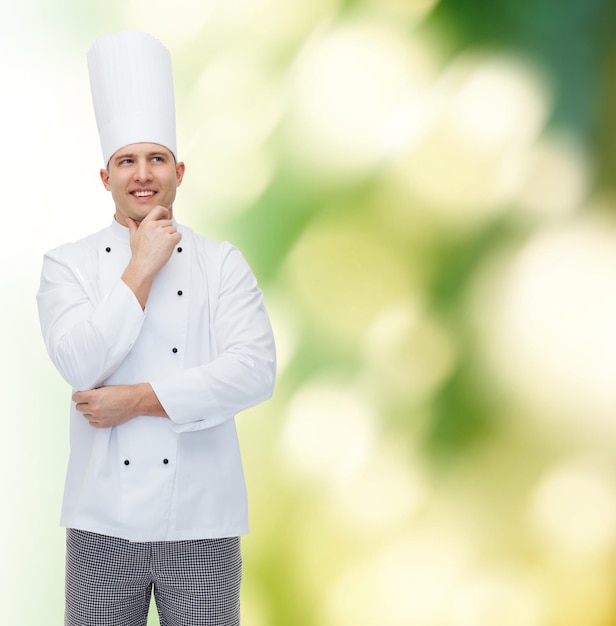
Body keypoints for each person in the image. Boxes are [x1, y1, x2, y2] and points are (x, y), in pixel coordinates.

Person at [36, 31, 276, 626]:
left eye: (156, 159)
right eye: (126, 161)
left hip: (203, 519)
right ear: (105, 176)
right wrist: (141, 265)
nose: (142, 175)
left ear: (179, 170)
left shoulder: (222, 263)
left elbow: (253, 371)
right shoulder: (67, 264)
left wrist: (138, 401)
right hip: (101, 523)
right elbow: (79, 362)